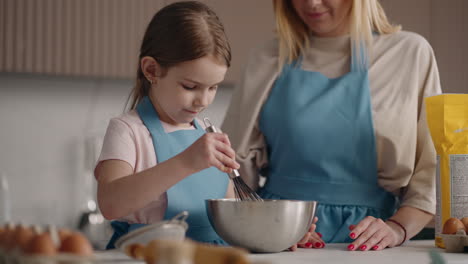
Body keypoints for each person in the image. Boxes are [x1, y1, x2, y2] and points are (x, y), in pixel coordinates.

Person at [222, 0, 441, 251]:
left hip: (371, 243)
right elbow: (233, 170)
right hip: (281, 236)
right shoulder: (268, 56)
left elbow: (431, 167)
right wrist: (262, 227)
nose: (311, 3)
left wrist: (397, 228)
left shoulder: (408, 53)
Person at [94, 1, 241, 249]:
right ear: (151, 70)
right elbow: (110, 204)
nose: (203, 101)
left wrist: (283, 233)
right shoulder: (128, 131)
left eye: (213, 87)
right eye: (190, 87)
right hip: (149, 253)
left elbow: (232, 218)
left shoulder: (210, 138)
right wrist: (186, 162)